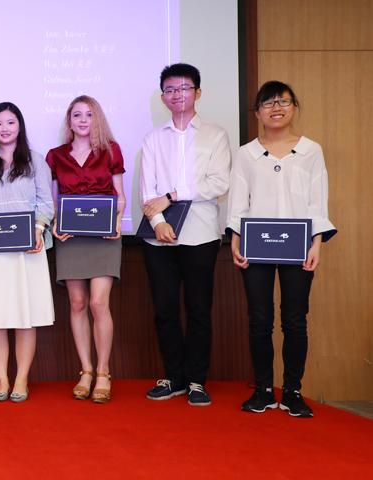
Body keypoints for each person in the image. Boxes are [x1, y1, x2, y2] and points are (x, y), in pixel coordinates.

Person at [227, 81, 336, 418]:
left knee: (295, 320)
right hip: (255, 246)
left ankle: (292, 391)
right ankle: (263, 389)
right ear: (257, 113)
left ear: (294, 107)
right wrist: (235, 239)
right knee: (259, 320)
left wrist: (317, 243)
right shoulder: (246, 153)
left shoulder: (311, 150)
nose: (276, 108)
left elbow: (318, 200)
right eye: (268, 103)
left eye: (283, 102)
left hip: (298, 246)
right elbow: (237, 202)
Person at [139, 63, 231, 407]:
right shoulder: (153, 139)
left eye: (184, 88)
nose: (177, 94)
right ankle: (174, 377)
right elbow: (147, 189)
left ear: (198, 93)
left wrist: (173, 195)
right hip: (158, 237)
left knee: (198, 309)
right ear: (163, 97)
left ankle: (196, 380)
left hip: (201, 234)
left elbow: (219, 183)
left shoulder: (215, 135)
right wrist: (159, 222)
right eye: (170, 90)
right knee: (164, 309)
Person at [0, 102, 54, 403]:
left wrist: (38, 229)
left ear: (20, 126)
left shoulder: (35, 161)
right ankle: (2, 379)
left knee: (25, 317)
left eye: (10, 122)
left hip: (27, 249)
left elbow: (46, 202)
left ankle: (21, 379)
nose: (5, 128)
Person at [47, 95, 126, 403]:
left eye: (89, 115)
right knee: (77, 303)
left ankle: (104, 372)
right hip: (71, 239)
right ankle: (86, 371)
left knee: (98, 303)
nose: (82, 120)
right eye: (77, 115)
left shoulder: (111, 150)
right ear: (69, 121)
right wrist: (56, 224)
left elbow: (119, 196)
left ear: (97, 119)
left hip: (104, 237)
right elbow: (55, 200)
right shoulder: (56, 156)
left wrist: (116, 222)